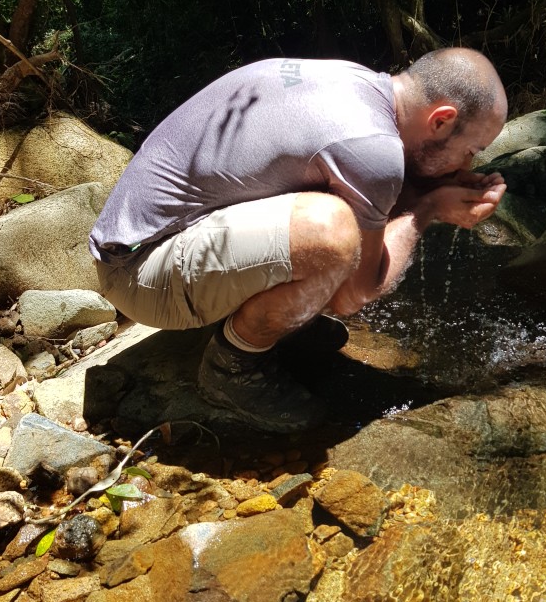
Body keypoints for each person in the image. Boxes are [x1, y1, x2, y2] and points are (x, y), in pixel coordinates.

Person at [89, 47, 508, 433]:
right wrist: (429, 209)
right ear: (441, 120)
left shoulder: (354, 81)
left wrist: (426, 187)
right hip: (139, 272)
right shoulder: (373, 149)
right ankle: (232, 369)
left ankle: (269, 326)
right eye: (471, 149)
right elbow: (356, 292)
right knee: (332, 234)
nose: (468, 163)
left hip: (140, 239)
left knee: (336, 220)